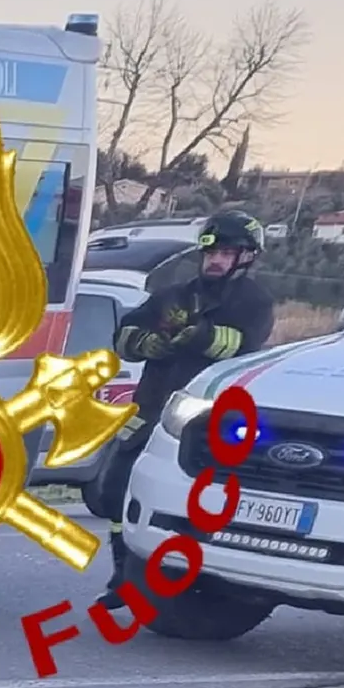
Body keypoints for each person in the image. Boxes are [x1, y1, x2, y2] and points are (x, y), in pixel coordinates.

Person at [95, 210, 274, 519]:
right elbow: (124, 335)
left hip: (206, 423)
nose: (215, 260)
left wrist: (195, 334)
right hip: (149, 412)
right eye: (211, 252)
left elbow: (240, 346)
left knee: (185, 503)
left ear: (246, 257)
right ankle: (124, 562)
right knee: (115, 495)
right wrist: (147, 343)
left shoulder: (254, 303)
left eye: (226, 253)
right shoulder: (173, 295)